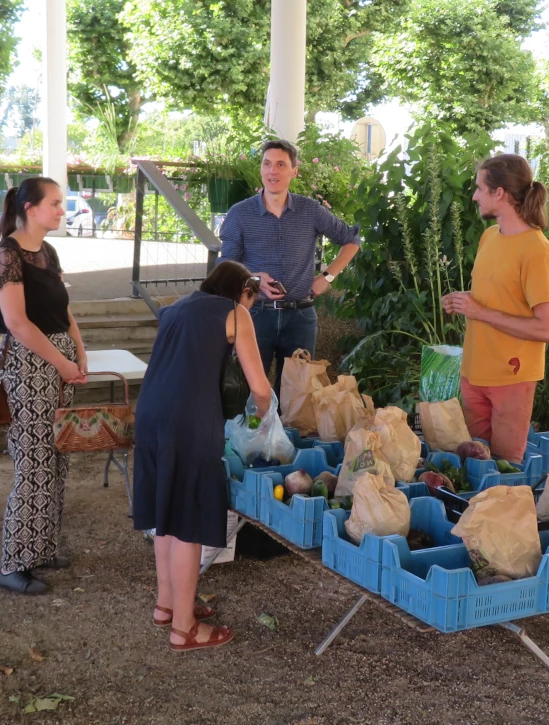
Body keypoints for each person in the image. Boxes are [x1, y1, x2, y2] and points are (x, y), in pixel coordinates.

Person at [132, 262, 272, 652]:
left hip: (150, 416)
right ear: (243, 291)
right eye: (252, 299)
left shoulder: (176, 308)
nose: (251, 307)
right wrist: (264, 418)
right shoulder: (235, 312)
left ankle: (167, 606)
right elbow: (259, 387)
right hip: (189, 422)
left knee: (165, 517)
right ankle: (184, 628)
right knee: (188, 523)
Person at [0, 178, 89, 595]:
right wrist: (63, 361)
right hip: (29, 364)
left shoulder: (47, 251)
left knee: (57, 455)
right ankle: (13, 562)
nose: (62, 210)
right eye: (55, 203)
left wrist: (80, 353)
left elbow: (63, 311)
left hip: (57, 360)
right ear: (30, 207)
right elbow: (17, 323)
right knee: (33, 461)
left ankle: (40, 548)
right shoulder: (6, 255)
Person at [218, 139, 361, 397]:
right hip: (254, 316)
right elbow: (225, 266)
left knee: (297, 399)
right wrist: (252, 278)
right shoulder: (240, 214)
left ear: (294, 171)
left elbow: (352, 240)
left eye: (281, 165)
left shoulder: (310, 210)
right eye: (267, 164)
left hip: (301, 318)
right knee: (247, 394)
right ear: (261, 169)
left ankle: (287, 439)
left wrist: (328, 276)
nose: (273, 171)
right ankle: (250, 438)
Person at [442, 154, 549, 463]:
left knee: (505, 472)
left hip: (511, 378)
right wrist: (464, 300)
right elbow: (497, 296)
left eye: (480, 188)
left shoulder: (537, 250)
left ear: (500, 194)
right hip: (473, 373)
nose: (474, 195)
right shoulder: (489, 236)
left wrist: (479, 311)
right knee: (473, 467)